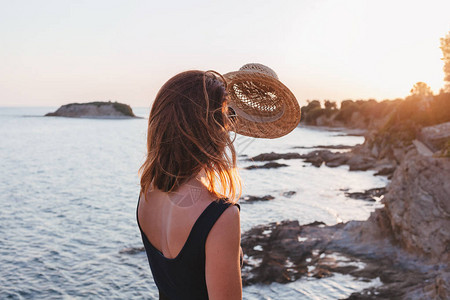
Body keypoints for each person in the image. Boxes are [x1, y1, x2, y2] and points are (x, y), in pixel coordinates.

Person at [137, 70, 242, 300]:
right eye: (225, 116)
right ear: (210, 131)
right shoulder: (221, 216)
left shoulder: (147, 191)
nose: (228, 126)